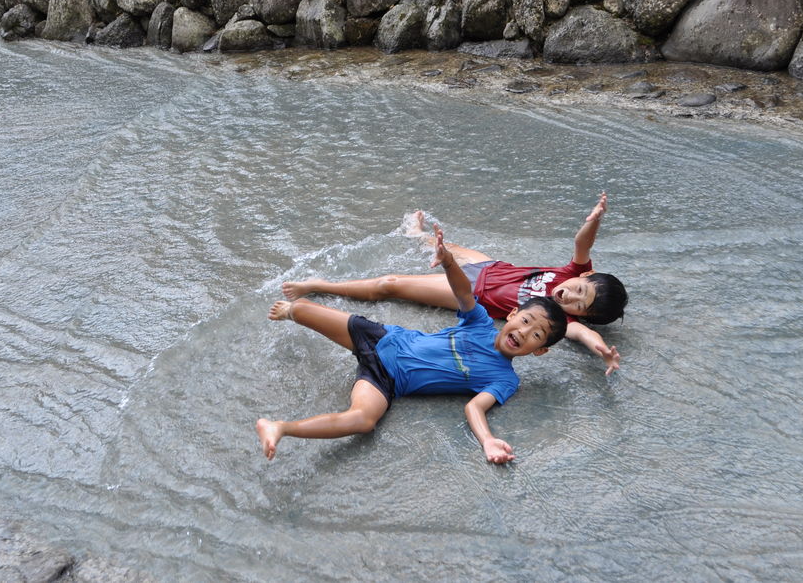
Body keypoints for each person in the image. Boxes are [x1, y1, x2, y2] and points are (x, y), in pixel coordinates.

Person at [257, 226, 566, 464]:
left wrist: (487, 440)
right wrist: (449, 263)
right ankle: (294, 310)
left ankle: (280, 428)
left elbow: (474, 407)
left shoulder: (505, 379)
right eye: (525, 321)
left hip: (386, 380)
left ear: (540, 350)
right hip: (382, 338)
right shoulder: (481, 323)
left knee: (363, 421)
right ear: (512, 315)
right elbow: (463, 293)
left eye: (536, 335)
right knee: (300, 309)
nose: (524, 332)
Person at [281, 193, 625, 375]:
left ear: (582, 315)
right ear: (584, 275)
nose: (570, 297)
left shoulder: (564, 321)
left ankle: (321, 285)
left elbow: (585, 335)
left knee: (390, 284)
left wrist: (602, 352)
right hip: (490, 265)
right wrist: (594, 220)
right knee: (437, 246)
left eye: (579, 305)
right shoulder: (573, 271)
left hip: (470, 291)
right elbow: (582, 243)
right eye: (579, 290)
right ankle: (416, 234)